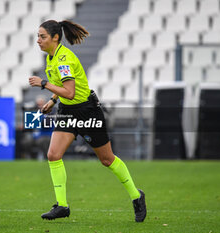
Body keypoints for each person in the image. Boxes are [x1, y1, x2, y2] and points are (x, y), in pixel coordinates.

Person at [28, 20, 147, 222]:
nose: (38, 40)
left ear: (55, 37)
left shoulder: (64, 59)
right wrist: (52, 101)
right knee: (53, 154)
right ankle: (62, 206)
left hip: (87, 112)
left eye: (42, 36)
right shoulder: (51, 57)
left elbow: (71, 92)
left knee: (107, 160)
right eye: (38, 36)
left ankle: (137, 196)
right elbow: (62, 88)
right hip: (67, 111)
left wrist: (44, 84)